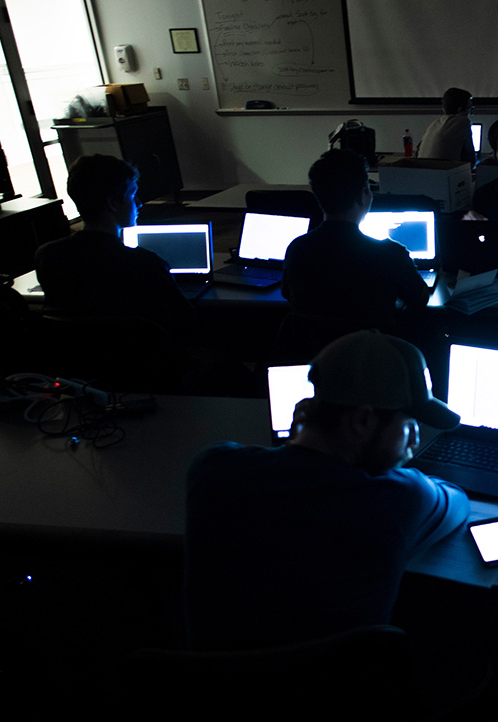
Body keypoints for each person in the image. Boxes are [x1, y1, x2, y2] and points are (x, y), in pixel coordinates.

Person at [184, 329, 470, 651]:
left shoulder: (212, 470)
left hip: (217, 692)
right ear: (363, 420)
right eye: (408, 424)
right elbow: (458, 501)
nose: (415, 440)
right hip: (334, 697)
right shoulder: (397, 500)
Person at [34, 154, 195, 342]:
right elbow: (185, 322)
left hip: (78, 363)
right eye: (132, 195)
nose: (139, 203)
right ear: (113, 203)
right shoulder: (145, 264)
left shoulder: (47, 256)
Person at [280, 149, 429, 344]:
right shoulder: (390, 254)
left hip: (317, 365)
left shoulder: (297, 249)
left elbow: (289, 296)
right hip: (375, 363)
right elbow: (420, 299)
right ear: (363, 195)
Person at [417, 87, 475, 163]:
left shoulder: (434, 124)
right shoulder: (463, 121)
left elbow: (417, 151)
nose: (471, 113)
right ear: (460, 110)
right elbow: (470, 159)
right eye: (470, 108)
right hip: (444, 173)